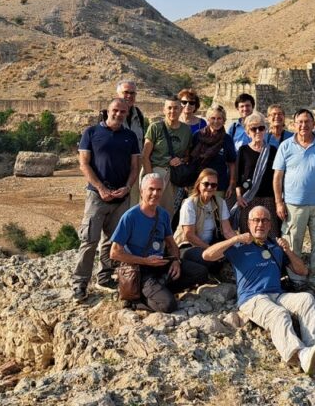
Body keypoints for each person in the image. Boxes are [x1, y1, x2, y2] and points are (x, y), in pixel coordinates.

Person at [202, 206, 315, 375]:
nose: (260, 224)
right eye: (256, 220)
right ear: (249, 224)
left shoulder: (275, 246)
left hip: (277, 294)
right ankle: (300, 355)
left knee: (306, 299)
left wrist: (287, 251)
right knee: (279, 314)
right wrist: (234, 238)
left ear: (269, 225)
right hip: (252, 298)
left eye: (264, 220)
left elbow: (302, 271)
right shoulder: (239, 246)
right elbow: (207, 255)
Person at [73, 99, 141, 303]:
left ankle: (104, 277)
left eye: (123, 111)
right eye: (115, 110)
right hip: (97, 196)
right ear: (107, 111)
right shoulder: (91, 133)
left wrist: (127, 188)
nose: (118, 114)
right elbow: (84, 165)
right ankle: (79, 284)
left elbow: (135, 167)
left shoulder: (130, 136)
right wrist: (101, 188)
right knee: (89, 240)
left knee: (113, 241)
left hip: (121, 197)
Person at [110, 173, 207, 312]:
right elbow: (114, 253)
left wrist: (175, 261)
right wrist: (145, 261)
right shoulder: (130, 217)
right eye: (151, 189)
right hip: (140, 270)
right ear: (142, 191)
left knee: (200, 272)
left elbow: (171, 243)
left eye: (159, 190)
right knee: (168, 306)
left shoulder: (163, 214)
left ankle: (159, 290)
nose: (155, 193)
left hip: (160, 264)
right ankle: (135, 301)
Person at [273, 108, 315, 295]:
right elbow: (277, 176)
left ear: (313, 124)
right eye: (300, 122)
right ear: (294, 124)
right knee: (294, 243)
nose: (303, 125)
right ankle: (297, 280)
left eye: (307, 121)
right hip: (293, 205)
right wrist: (279, 202)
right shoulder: (285, 146)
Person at [176, 168, 236, 274]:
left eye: (213, 185)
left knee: (233, 252)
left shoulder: (220, 202)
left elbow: (227, 231)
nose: (209, 187)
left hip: (210, 244)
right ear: (199, 185)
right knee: (212, 260)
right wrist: (211, 249)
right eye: (206, 184)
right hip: (188, 247)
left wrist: (239, 243)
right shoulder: (189, 204)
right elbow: (189, 235)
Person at [142, 98, 192, 223]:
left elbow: (188, 156)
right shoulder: (155, 127)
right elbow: (145, 156)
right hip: (155, 172)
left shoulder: (186, 130)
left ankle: (161, 241)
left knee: (167, 213)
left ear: (181, 110)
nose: (172, 111)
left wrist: (180, 160)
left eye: (176, 108)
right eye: (169, 107)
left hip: (173, 176)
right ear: (164, 110)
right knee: (149, 210)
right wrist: (149, 178)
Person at [233, 112, 279, 237]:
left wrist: (278, 200)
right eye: (254, 129)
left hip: (269, 198)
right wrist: (239, 197)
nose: (258, 131)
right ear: (248, 132)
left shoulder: (273, 150)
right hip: (248, 199)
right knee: (248, 233)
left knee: (270, 233)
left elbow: (277, 176)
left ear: (265, 130)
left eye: (261, 128)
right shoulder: (243, 150)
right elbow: (237, 177)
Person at [189, 105, 237, 200]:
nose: (216, 121)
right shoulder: (197, 136)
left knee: (216, 213)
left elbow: (232, 163)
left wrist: (231, 184)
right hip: (197, 182)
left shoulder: (227, 139)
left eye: (219, 118)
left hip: (218, 185)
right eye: (213, 118)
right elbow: (190, 158)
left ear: (224, 120)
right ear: (208, 119)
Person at [116, 80, 148, 205]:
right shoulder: (107, 114)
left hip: (135, 170)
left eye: (132, 93)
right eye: (126, 92)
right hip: (116, 169)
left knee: (133, 204)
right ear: (118, 94)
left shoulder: (139, 115)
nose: (129, 96)